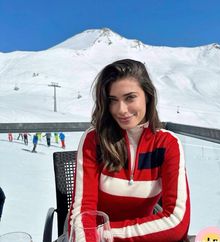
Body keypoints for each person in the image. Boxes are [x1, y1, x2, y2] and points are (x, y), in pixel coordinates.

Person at [68, 59, 190, 242]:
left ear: (147, 96)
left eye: (130, 97)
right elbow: (83, 213)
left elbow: (176, 221)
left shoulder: (167, 144)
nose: (121, 110)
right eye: (113, 100)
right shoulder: (94, 140)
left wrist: (106, 233)